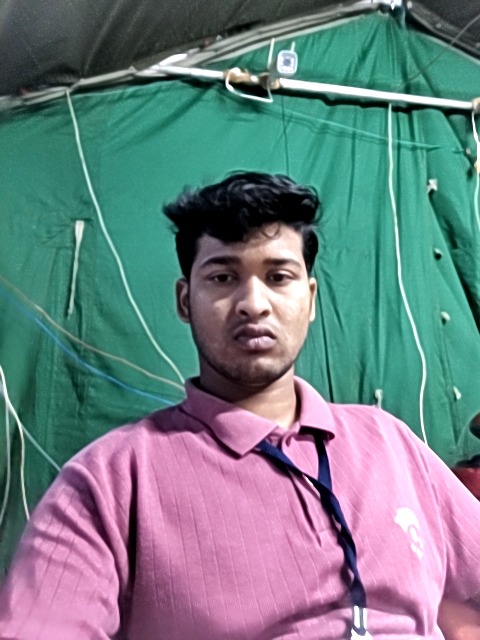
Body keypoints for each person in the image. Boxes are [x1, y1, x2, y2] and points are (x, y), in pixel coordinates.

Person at [0, 172, 479, 639]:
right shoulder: (111, 481)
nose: (253, 303)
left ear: (310, 299)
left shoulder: (388, 442)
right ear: (185, 301)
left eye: (279, 277)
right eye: (224, 277)